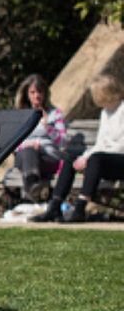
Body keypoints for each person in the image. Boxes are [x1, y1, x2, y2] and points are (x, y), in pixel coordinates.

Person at [32, 73, 124, 223]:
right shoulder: (105, 112)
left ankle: (80, 208)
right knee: (71, 158)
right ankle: (54, 206)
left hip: (119, 160)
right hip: (103, 160)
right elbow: (100, 143)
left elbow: (121, 145)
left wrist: (90, 158)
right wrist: (84, 157)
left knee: (95, 158)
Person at [11, 73, 67, 202]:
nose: (37, 96)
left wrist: (48, 127)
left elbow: (63, 142)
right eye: (32, 92)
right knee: (28, 152)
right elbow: (12, 144)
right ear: (27, 94)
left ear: (45, 93)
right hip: (25, 157)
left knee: (29, 155)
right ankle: (34, 188)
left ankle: (30, 195)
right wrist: (27, 146)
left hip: (48, 158)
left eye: (40, 92)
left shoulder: (55, 114)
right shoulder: (21, 115)